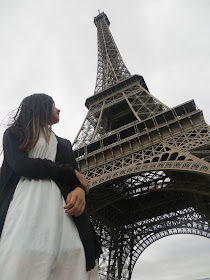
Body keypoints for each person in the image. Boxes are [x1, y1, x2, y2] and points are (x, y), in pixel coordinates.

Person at [0, 93, 102, 279]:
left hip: (62, 210)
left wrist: (80, 190)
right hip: (25, 207)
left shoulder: (63, 144)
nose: (59, 109)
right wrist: (68, 173)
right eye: (54, 104)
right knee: (23, 253)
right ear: (41, 105)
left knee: (72, 254)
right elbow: (21, 166)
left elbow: (76, 178)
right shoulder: (15, 133)